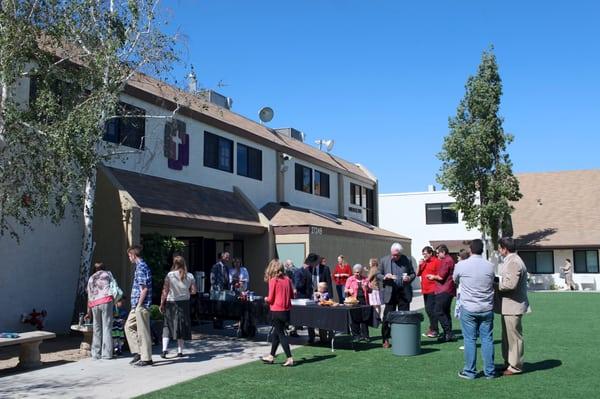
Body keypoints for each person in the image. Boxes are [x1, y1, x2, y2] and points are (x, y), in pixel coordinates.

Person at [453, 239, 496, 380]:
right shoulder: (490, 266)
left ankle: (470, 371)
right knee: (487, 339)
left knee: (470, 340)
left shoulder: (461, 265)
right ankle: (490, 372)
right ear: (482, 250)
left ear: (470, 250)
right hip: (486, 307)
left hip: (469, 307)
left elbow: (455, 280)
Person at [495, 237, 530, 376]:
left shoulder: (514, 261)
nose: (498, 250)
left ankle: (515, 366)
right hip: (509, 305)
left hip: (513, 305)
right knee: (507, 336)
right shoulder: (511, 260)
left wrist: (495, 284)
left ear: (504, 248)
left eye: (499, 247)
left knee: (514, 337)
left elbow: (510, 284)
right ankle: (508, 363)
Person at [377, 242, 416, 348]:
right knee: (387, 317)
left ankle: (403, 339)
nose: (394, 257)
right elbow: (378, 274)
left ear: (401, 253)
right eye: (393, 255)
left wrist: (409, 278)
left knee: (404, 317)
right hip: (390, 292)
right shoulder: (384, 260)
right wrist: (385, 277)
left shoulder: (407, 260)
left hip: (403, 292)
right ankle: (385, 339)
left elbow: (413, 273)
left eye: (397, 255)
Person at [159, 256, 197, 359]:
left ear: (174, 263)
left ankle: (164, 350)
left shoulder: (170, 275)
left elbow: (165, 291)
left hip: (172, 303)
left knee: (167, 326)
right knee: (181, 327)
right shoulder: (190, 276)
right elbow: (194, 291)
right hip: (184, 303)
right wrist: (185, 292)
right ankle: (180, 351)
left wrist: (162, 303)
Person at [261, 259, 295, 367]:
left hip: (277, 310)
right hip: (286, 311)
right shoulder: (288, 279)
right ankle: (271, 356)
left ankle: (289, 358)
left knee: (281, 334)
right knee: (276, 332)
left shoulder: (273, 280)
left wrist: (265, 299)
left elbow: (270, 299)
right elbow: (292, 296)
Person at [124, 245, 153, 367]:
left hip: (140, 305)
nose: (129, 258)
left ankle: (146, 358)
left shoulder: (141, 267)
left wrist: (139, 305)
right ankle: (138, 351)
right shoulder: (140, 266)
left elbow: (144, 289)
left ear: (133, 255)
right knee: (128, 326)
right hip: (136, 305)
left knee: (143, 332)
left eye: (129, 256)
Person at [85, 262, 116, 360]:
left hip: (94, 304)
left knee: (96, 327)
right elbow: (115, 288)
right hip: (106, 301)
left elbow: (89, 296)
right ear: (104, 268)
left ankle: (95, 354)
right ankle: (106, 354)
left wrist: (88, 312)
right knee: (107, 327)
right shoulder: (108, 274)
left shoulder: (91, 278)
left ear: (95, 269)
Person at [429, 244, 457, 342]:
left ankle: (448, 333)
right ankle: (447, 334)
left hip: (444, 289)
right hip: (447, 289)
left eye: (437, 253)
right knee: (445, 312)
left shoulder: (447, 261)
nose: (436, 255)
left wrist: (432, 277)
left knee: (438, 311)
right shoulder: (448, 260)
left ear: (443, 252)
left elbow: (441, 277)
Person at [293, 253, 319, 343]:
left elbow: (310, 285)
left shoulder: (309, 272)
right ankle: (294, 331)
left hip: (308, 298)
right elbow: (297, 285)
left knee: (309, 318)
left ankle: (311, 336)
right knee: (299, 317)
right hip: (300, 299)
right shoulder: (299, 271)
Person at [418, 246, 440, 338]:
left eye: (425, 254)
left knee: (431, 310)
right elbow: (417, 274)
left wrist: (434, 277)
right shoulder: (424, 262)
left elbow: (440, 275)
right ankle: (432, 328)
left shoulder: (436, 261)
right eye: (423, 254)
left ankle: (435, 330)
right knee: (428, 310)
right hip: (425, 290)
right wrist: (420, 265)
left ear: (430, 253)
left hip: (433, 289)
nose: (424, 255)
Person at [345, 264, 371, 342]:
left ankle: (365, 336)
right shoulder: (350, 279)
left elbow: (370, 290)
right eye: (356, 272)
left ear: (361, 272)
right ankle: (356, 335)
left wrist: (367, 287)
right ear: (353, 272)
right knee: (355, 318)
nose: (358, 274)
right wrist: (349, 290)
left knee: (364, 319)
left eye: (359, 272)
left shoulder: (365, 279)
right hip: (354, 301)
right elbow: (345, 289)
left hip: (364, 300)